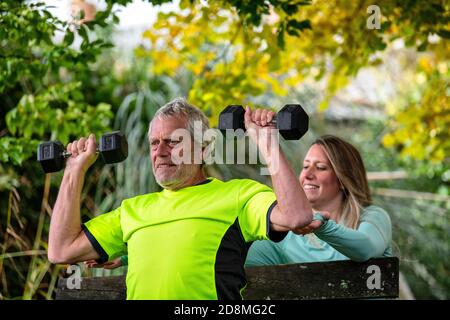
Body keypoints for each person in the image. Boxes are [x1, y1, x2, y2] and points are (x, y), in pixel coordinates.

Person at [48, 98, 316, 300]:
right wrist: (74, 169)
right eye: (155, 143)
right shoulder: (132, 210)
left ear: (203, 149)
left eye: (173, 141)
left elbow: (296, 216)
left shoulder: (237, 195)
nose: (160, 152)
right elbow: (61, 250)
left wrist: (268, 144)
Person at [245, 135, 393, 267]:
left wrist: (321, 227)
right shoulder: (283, 236)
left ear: (343, 179)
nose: (307, 175)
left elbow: (366, 248)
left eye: (321, 167)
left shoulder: (373, 217)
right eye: (305, 166)